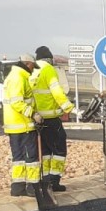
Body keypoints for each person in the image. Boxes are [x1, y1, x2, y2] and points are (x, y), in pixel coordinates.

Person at [30, 46, 75, 192]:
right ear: (49, 58)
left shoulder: (32, 71)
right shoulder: (48, 69)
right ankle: (54, 181)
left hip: (38, 119)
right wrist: (70, 108)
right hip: (51, 118)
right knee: (59, 150)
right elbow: (57, 92)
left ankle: (45, 180)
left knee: (45, 152)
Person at [3, 53, 43, 197]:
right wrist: (33, 114)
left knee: (18, 158)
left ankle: (18, 187)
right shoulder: (18, 78)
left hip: (14, 126)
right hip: (23, 125)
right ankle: (33, 187)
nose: (33, 70)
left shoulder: (13, 76)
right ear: (28, 64)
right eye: (33, 66)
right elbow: (17, 102)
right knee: (31, 157)